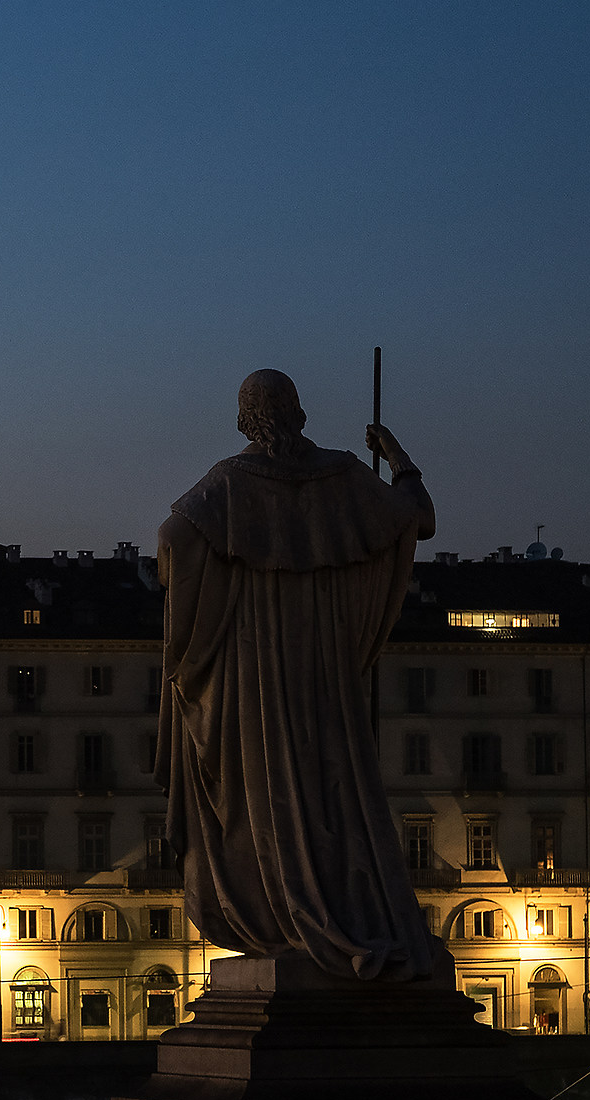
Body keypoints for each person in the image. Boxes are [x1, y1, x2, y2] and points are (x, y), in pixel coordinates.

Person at [158, 371, 438, 982]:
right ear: (298, 412)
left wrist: (202, 607)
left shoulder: (230, 482)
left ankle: (285, 914)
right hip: (326, 675)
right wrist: (396, 455)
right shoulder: (342, 475)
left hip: (255, 670)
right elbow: (418, 516)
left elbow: (174, 535)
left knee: (265, 793)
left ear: (246, 418)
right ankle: (346, 910)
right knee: (333, 787)